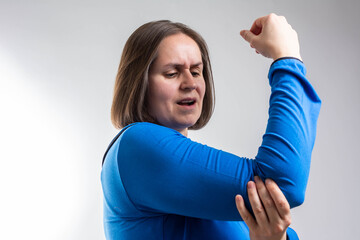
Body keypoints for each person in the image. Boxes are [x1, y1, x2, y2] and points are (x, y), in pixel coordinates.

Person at [101, 13, 321, 240]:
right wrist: (287, 58)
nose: (190, 83)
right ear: (139, 84)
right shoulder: (135, 146)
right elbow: (283, 184)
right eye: (172, 73)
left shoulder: (214, 194)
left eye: (196, 71)